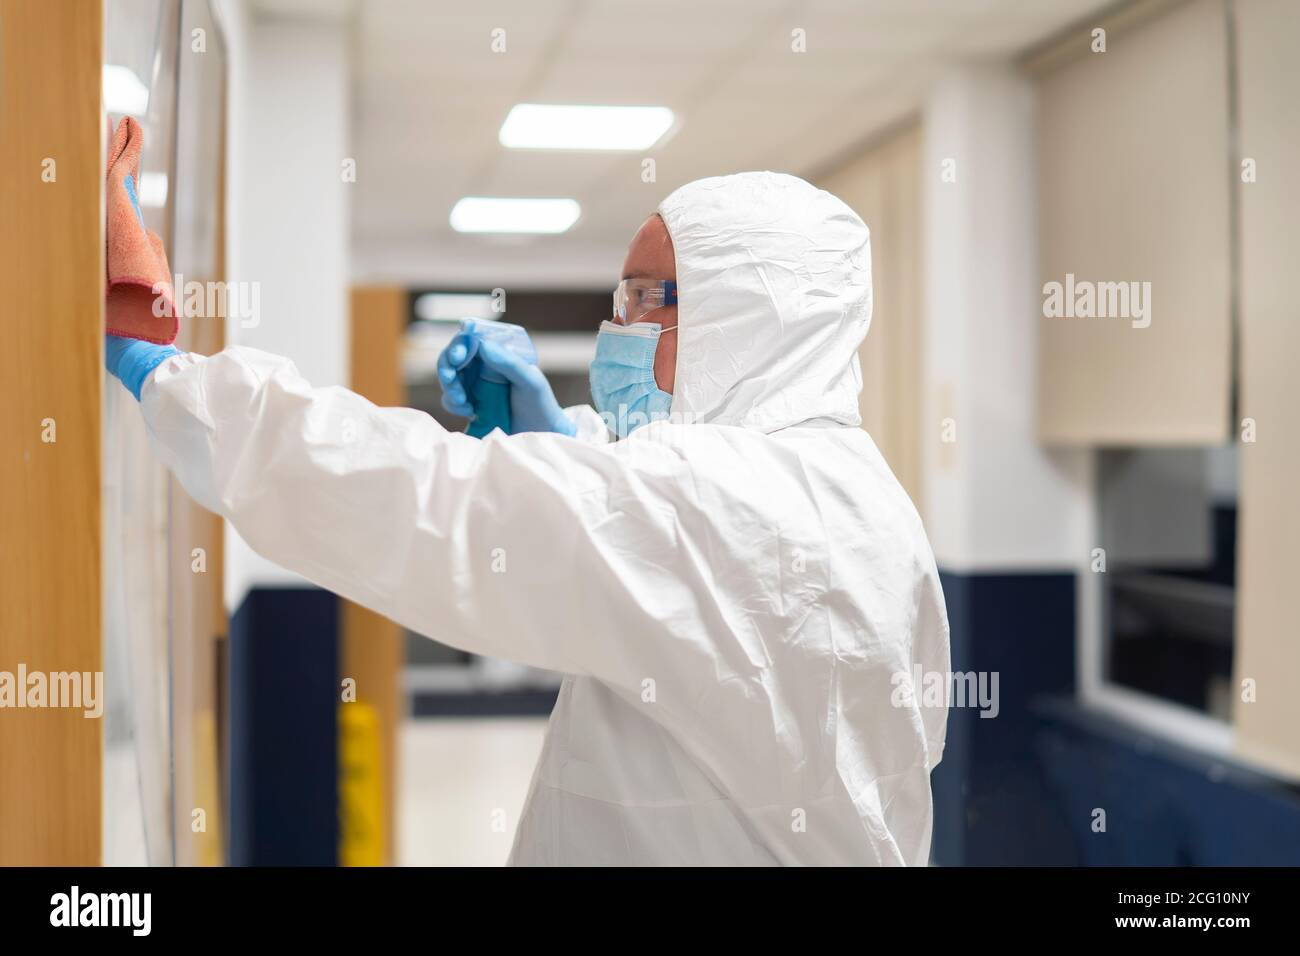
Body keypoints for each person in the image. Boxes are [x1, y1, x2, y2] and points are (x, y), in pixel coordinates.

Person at [108, 170, 950, 866]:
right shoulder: (860, 498)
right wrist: (553, 441)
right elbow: (665, 555)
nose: (613, 327)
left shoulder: (716, 499)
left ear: (741, 320)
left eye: (640, 298)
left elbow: (425, 494)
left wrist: (177, 382)